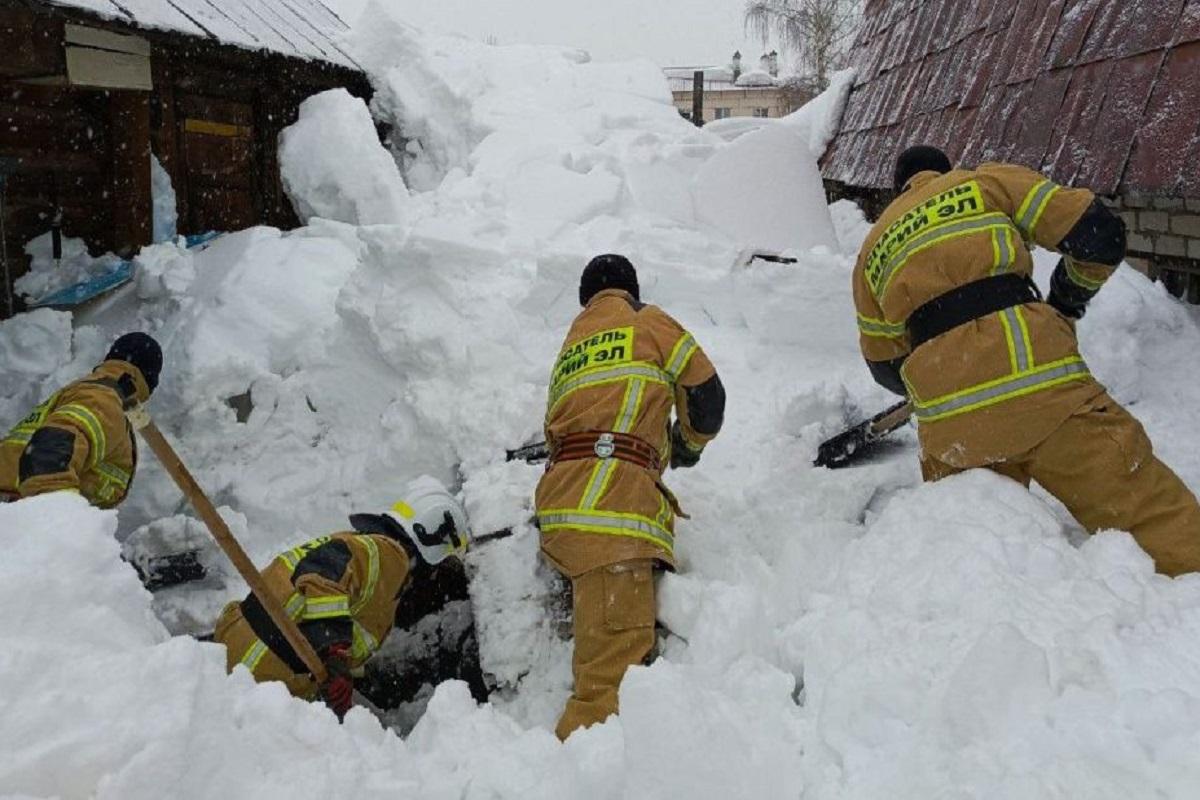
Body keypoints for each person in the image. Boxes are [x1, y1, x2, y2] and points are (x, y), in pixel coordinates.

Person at [853, 145, 1200, 575]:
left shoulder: (872, 248)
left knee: (978, 567)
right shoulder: (984, 183)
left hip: (953, 428)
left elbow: (885, 366)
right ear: (945, 172)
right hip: (1049, 397)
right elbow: (1100, 236)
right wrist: (1066, 300)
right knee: (1157, 524)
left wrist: (947, 371)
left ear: (899, 190)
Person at [536, 254, 726, 739]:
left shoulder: (573, 344)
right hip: (610, 515)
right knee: (607, 695)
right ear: (632, 291)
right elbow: (708, 398)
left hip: (561, 508)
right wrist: (686, 446)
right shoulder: (648, 321)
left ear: (586, 300)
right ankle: (575, 768)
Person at [213, 477, 472, 719]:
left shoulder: (368, 549)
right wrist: (333, 653)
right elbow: (321, 573)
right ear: (432, 542)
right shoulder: (388, 556)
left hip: (246, 648)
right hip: (258, 664)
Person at [0, 332, 162, 507]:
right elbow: (50, 454)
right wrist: (59, 514)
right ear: (149, 379)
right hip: (18, 510)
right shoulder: (102, 400)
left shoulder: (90, 392)